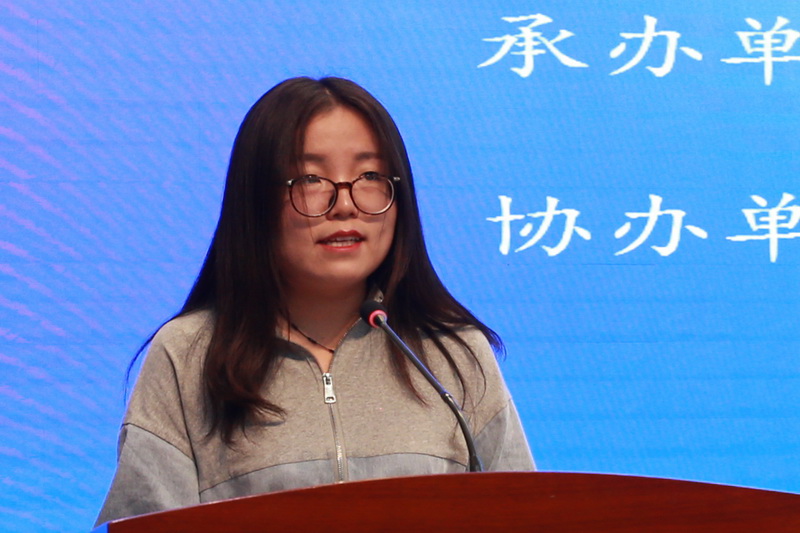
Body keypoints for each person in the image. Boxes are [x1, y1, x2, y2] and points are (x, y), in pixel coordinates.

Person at [95, 76, 534, 525]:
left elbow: (528, 517)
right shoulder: (189, 356)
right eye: (310, 178)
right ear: (255, 200)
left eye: (370, 176)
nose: (345, 204)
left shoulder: (452, 353)